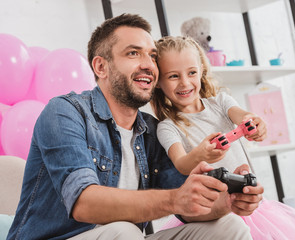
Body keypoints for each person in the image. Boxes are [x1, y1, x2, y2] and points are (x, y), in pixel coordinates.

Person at [6, 14, 264, 240]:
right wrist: (176, 198)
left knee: (228, 227)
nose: (148, 64)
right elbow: (84, 202)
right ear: (101, 66)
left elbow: (188, 204)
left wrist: (229, 200)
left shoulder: (151, 131)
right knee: (125, 231)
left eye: (152, 56)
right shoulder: (65, 112)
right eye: (133, 53)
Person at [151, 35, 295, 240]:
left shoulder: (221, 102)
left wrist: (254, 124)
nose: (185, 82)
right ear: (158, 81)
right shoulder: (168, 127)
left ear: (201, 70)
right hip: (214, 214)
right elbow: (182, 164)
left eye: (192, 72)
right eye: (173, 76)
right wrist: (200, 154)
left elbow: (243, 116)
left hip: (252, 206)